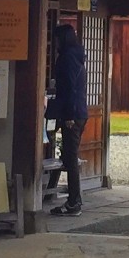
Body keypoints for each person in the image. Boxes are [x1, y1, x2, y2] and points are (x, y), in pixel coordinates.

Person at [48, 24, 88, 214]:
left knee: (70, 158)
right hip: (80, 111)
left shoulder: (67, 58)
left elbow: (70, 87)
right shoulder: (77, 56)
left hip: (72, 113)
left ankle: (74, 202)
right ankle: (73, 200)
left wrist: (69, 114)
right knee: (70, 156)